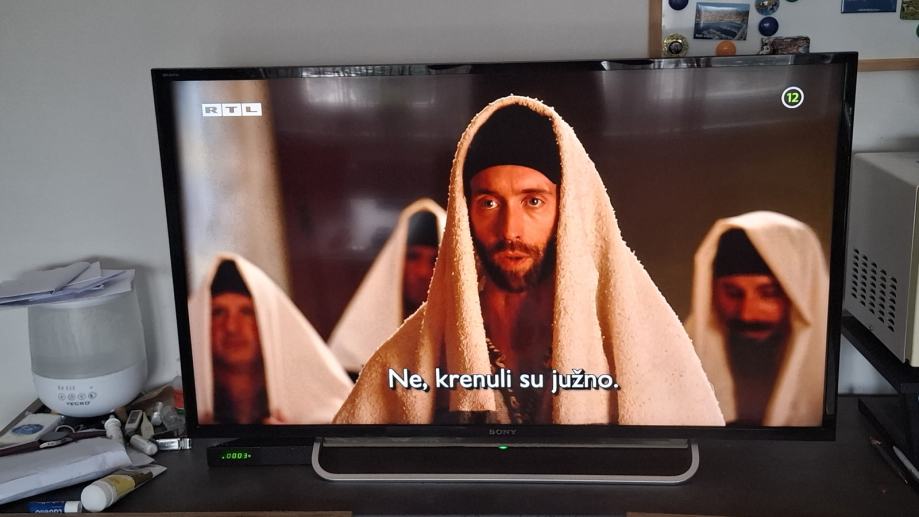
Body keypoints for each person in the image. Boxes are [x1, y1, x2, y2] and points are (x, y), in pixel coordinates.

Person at [333, 95, 724, 426]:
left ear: (566, 209)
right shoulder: (407, 357)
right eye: (489, 202)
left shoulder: (638, 341)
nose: (510, 230)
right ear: (465, 212)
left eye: (533, 201)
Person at [686, 212, 829, 426]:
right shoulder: (678, 361)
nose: (747, 314)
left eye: (769, 293)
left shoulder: (838, 371)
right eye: (733, 293)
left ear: (802, 293)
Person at [189, 252, 353, 424]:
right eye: (218, 312)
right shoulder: (181, 411)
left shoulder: (329, 412)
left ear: (269, 323)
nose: (231, 327)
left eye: (246, 312)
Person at [328, 199, 446, 377]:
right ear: (396, 260)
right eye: (413, 257)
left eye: (434, 260)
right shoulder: (359, 338)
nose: (422, 272)